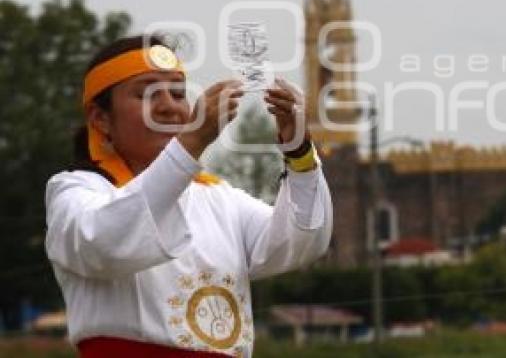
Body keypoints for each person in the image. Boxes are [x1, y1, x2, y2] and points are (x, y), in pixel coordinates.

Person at [45, 35, 332, 357]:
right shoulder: (77, 190)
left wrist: (300, 152)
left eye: (178, 94)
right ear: (101, 118)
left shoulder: (218, 197)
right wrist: (192, 141)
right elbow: (105, 244)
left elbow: (303, 243)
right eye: (146, 94)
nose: (169, 106)